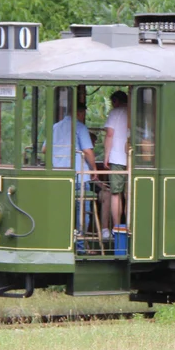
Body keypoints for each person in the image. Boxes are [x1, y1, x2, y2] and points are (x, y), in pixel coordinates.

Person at [50, 104, 97, 245]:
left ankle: (62, 242)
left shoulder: (55, 127)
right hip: (79, 176)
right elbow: (88, 151)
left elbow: (45, 148)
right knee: (82, 212)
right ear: (80, 113)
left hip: (60, 176)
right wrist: (94, 169)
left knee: (63, 210)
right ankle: (80, 246)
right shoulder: (80, 127)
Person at [101, 90, 130, 239]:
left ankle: (117, 228)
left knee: (115, 193)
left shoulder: (115, 113)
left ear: (116, 102)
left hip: (117, 158)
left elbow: (110, 134)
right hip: (133, 159)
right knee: (129, 194)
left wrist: (106, 155)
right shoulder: (135, 111)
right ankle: (130, 227)